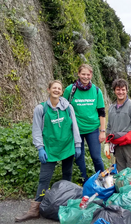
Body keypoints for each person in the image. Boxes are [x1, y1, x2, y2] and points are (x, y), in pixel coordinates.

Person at [15, 80, 81, 222]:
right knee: (44, 179)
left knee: (67, 176)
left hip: (67, 146)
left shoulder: (68, 108)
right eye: (54, 88)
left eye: (59, 88)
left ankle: (64, 205)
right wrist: (40, 148)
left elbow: (74, 126)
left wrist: (78, 144)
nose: (56, 90)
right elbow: (36, 130)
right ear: (49, 90)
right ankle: (35, 209)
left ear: (62, 92)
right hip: (50, 148)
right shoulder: (41, 109)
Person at [63, 64, 105, 182]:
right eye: (83, 74)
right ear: (78, 74)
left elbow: (101, 112)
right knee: (79, 156)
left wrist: (102, 131)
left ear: (91, 75)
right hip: (76, 130)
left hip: (92, 129)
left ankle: (103, 180)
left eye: (88, 74)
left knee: (96, 157)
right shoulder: (70, 90)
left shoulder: (96, 91)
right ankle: (84, 181)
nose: (85, 77)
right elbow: (63, 109)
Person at [104, 79, 131, 173]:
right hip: (117, 146)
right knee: (121, 173)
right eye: (118, 89)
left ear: (126, 90)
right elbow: (109, 126)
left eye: (123, 89)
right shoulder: (112, 108)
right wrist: (107, 143)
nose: (120, 92)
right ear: (114, 91)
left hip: (130, 146)